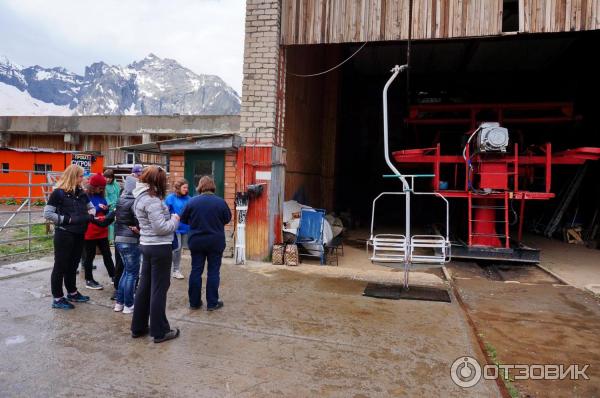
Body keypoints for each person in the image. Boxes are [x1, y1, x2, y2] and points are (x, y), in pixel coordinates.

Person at [131, 166, 180, 343]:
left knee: (144, 287)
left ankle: (139, 327)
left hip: (146, 245)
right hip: (159, 247)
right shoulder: (152, 200)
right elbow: (161, 228)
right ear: (158, 181)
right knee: (159, 289)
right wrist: (174, 220)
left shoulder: (140, 197)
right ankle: (160, 331)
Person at [43, 164, 94, 309]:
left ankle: (72, 292)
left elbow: (91, 208)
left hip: (79, 233)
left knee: (73, 264)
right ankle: (58, 298)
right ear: (73, 177)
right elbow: (47, 214)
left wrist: (91, 214)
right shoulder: (58, 193)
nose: (83, 178)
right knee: (60, 265)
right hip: (64, 233)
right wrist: (67, 220)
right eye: (80, 176)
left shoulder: (82, 193)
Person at [181, 176, 231, 311]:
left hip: (196, 242)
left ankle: (194, 302)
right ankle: (212, 303)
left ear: (200, 186)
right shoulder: (221, 202)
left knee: (196, 270)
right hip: (215, 242)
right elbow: (227, 219)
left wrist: (196, 223)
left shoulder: (192, 202)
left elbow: (183, 219)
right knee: (213, 271)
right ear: (213, 186)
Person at [83, 173, 116, 290]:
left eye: (103, 188)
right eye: (99, 187)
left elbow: (105, 213)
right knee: (89, 256)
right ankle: (89, 279)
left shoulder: (101, 196)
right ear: (93, 186)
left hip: (102, 229)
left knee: (107, 254)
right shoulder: (85, 196)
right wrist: (98, 208)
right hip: (90, 230)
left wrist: (106, 210)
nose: (101, 190)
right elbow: (85, 212)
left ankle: (113, 276)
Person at [114, 177, 140, 314]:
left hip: (119, 239)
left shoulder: (120, 200)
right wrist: (139, 229)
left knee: (126, 272)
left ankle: (119, 302)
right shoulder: (135, 202)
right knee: (132, 274)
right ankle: (129, 304)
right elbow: (138, 220)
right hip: (130, 240)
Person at [165, 178, 191, 280]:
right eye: (184, 187)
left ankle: (175, 269)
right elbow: (165, 212)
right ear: (178, 188)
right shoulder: (170, 198)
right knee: (177, 249)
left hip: (186, 228)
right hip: (175, 228)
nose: (186, 189)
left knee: (180, 250)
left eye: (187, 187)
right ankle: (175, 270)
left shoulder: (189, 199)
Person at [104, 169, 121, 241]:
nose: (108, 179)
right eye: (106, 177)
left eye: (110, 178)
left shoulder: (116, 184)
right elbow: (105, 196)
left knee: (116, 224)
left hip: (117, 206)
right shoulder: (104, 185)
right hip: (109, 207)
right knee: (110, 224)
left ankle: (114, 239)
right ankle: (110, 240)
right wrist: (110, 205)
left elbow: (119, 194)